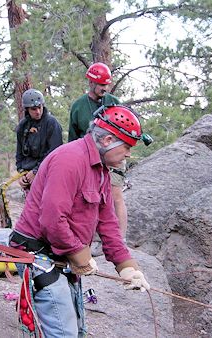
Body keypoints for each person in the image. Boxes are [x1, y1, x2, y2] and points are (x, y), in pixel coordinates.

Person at [10, 105, 151, 338]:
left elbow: (108, 223)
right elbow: (52, 219)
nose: (128, 154)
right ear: (107, 140)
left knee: (74, 326)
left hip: (59, 251)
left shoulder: (101, 170)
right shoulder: (70, 160)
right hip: (37, 250)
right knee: (64, 331)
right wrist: (79, 253)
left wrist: (126, 265)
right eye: (126, 147)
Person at [68, 62, 128, 239]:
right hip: (89, 160)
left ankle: (120, 239)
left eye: (107, 84)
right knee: (91, 199)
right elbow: (73, 138)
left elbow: (124, 130)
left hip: (113, 157)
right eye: (102, 84)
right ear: (91, 83)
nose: (105, 88)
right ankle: (92, 238)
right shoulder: (78, 106)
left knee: (115, 195)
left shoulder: (114, 103)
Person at [15, 89, 63, 191]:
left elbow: (54, 152)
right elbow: (19, 153)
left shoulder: (51, 123)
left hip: (48, 174)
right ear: (27, 109)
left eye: (39, 107)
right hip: (28, 176)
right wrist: (21, 173)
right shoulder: (23, 126)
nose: (38, 112)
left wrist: (36, 171)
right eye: (33, 109)